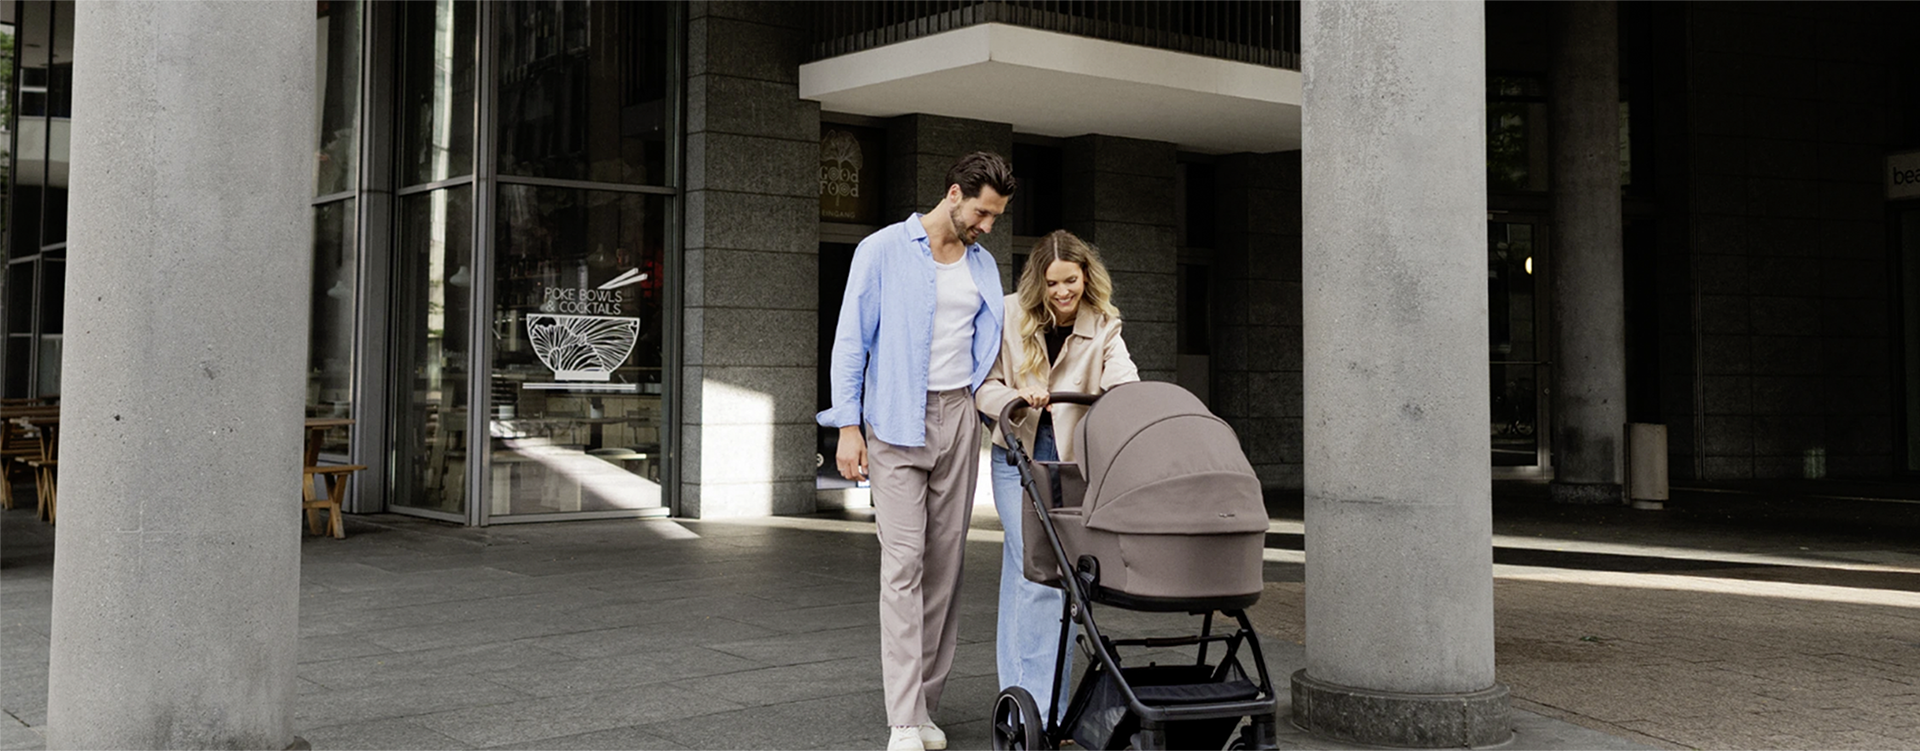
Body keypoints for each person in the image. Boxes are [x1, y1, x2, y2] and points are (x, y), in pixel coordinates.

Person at [817, 151, 1016, 751]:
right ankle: (903, 718)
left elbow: (989, 349)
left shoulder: (983, 266)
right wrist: (847, 427)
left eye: (996, 218)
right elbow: (850, 341)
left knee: (946, 570)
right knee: (903, 565)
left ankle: (925, 706)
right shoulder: (880, 250)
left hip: (960, 418)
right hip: (896, 420)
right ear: (954, 193)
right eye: (982, 212)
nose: (987, 227)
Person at [975, 230, 1138, 721]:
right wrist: (1015, 400)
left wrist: (1122, 399)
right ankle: (1042, 711)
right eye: (1052, 283)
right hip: (1017, 456)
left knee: (1033, 575)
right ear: (1037, 283)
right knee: (1040, 572)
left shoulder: (1104, 324)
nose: (1063, 292)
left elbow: (1124, 379)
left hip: (1071, 463)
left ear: (1086, 276)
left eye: (1071, 280)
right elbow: (984, 384)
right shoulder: (1008, 314)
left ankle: (1021, 701)